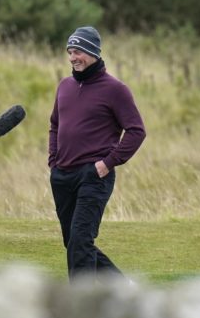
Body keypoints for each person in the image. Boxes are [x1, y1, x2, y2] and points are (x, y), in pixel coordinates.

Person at [48, 26, 146, 281]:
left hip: (94, 176)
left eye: (78, 51)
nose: (72, 57)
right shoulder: (65, 86)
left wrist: (107, 163)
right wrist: (53, 161)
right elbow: (55, 125)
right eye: (70, 52)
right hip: (62, 175)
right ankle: (123, 290)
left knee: (81, 239)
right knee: (74, 241)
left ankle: (79, 308)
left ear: (92, 52)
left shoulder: (115, 89)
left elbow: (136, 131)